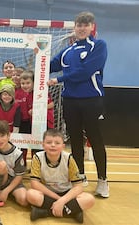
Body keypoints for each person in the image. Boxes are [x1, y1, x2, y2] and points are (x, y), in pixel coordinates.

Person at [47, 11, 109, 197]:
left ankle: (103, 181)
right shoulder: (68, 50)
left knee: (95, 139)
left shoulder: (98, 45)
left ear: (92, 27)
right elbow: (50, 65)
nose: (82, 28)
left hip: (92, 101)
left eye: (85, 25)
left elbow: (85, 71)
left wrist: (58, 80)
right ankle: (79, 177)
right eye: (79, 25)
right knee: (74, 140)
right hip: (70, 101)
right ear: (74, 28)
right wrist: (39, 56)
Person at [26, 129, 95, 223]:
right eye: (49, 142)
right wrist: (59, 200)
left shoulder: (69, 158)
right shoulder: (37, 157)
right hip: (48, 193)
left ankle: (45, 212)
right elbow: (35, 184)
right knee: (31, 194)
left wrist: (63, 200)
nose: (53, 145)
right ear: (43, 145)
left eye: (57, 143)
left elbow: (78, 186)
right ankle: (72, 212)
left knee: (89, 199)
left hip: (66, 193)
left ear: (63, 146)